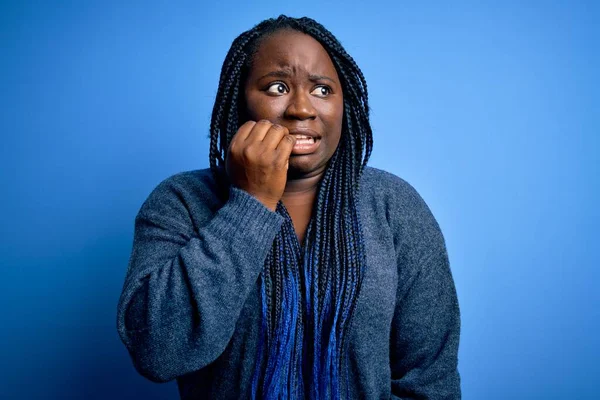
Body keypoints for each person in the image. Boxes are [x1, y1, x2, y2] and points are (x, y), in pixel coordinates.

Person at [116, 15, 461, 400]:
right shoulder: (182, 202)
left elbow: (430, 381)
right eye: (277, 87)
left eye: (322, 90)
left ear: (344, 105)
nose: (301, 109)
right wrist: (252, 203)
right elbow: (158, 353)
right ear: (239, 101)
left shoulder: (394, 207)